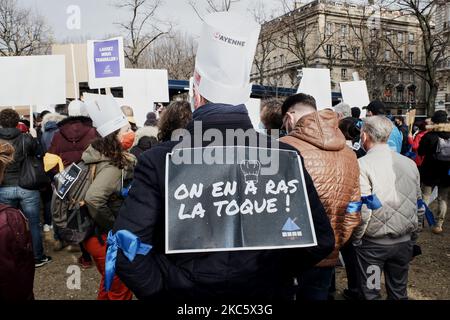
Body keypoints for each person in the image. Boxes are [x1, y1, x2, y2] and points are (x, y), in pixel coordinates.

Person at [112, 12, 334, 302]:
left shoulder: (159, 159)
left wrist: (166, 290)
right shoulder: (283, 155)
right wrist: (274, 276)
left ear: (195, 93)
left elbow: (126, 248)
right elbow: (320, 241)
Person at [280, 94, 361, 300]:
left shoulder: (281, 148)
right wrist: (336, 242)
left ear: (289, 117)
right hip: (328, 251)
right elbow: (354, 206)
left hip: (288, 252)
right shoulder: (349, 153)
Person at [353, 116, 422, 300]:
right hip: (403, 242)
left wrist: (357, 238)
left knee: (371, 292)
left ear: (365, 136)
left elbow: (365, 209)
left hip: (373, 247)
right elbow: (419, 204)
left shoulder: (362, 165)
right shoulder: (409, 164)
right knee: (399, 292)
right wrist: (413, 236)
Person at [82, 95, 137, 300]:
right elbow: (94, 198)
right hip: (104, 238)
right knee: (120, 289)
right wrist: (113, 227)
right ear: (114, 136)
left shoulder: (97, 154)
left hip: (93, 236)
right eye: (126, 130)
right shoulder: (114, 166)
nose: (131, 133)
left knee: (109, 286)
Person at [47, 100, 97, 267]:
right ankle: (95, 251)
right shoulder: (93, 132)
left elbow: (51, 159)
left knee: (75, 215)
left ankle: (84, 254)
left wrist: (60, 177)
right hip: (90, 178)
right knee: (91, 213)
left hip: (67, 181)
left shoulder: (58, 134)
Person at [0, 109, 52, 268]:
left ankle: (11, 258)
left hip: (3, 187)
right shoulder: (26, 138)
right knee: (33, 223)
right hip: (27, 186)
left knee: (7, 225)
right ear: (17, 122)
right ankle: (37, 257)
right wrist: (35, 139)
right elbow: (41, 154)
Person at [0, 142, 35, 301]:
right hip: (25, 185)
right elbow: (19, 271)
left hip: (8, 190)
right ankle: (41, 255)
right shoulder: (8, 219)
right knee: (30, 226)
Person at [418, 110, 450, 234]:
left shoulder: (429, 136)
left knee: (424, 197)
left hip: (429, 172)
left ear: (434, 121)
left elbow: (420, 152)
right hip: (446, 173)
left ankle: (420, 223)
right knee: (443, 199)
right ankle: (439, 225)